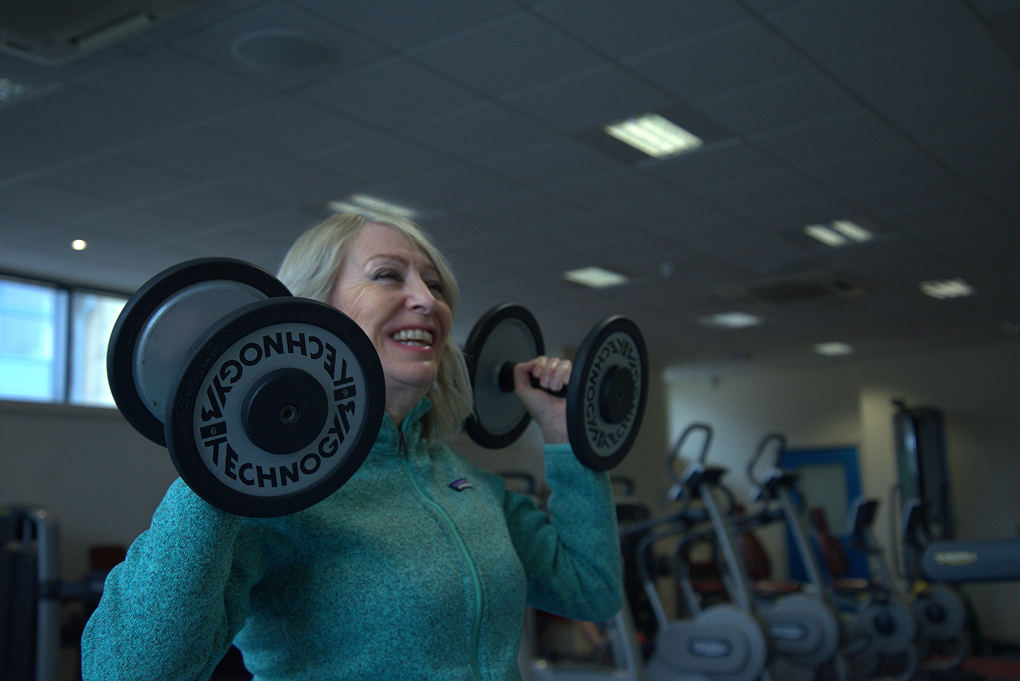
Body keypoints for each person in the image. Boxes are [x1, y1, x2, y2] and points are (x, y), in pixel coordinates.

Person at [81, 211, 624, 681]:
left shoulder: (466, 481)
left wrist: (562, 434)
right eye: (389, 276)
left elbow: (590, 591)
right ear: (316, 309)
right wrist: (224, 460)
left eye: (435, 286)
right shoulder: (271, 500)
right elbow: (125, 670)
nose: (426, 300)